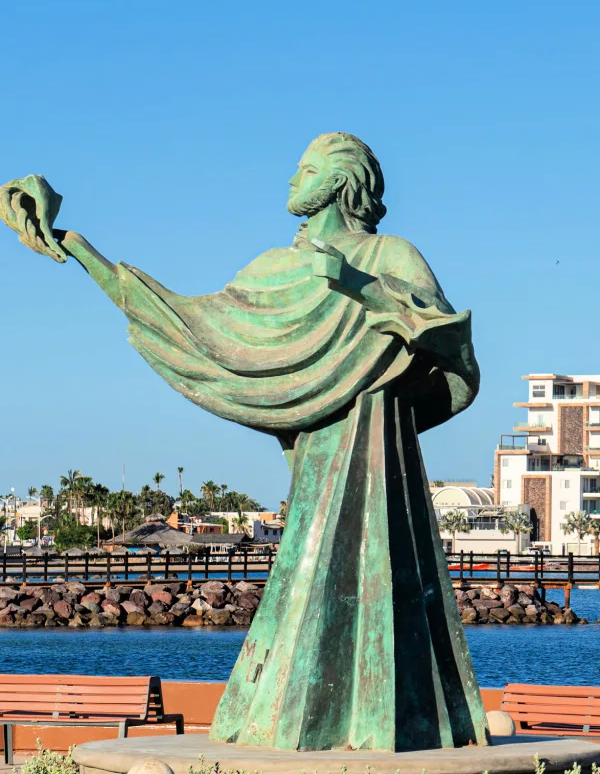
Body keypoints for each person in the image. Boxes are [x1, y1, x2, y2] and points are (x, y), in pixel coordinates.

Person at [0, 133, 487, 752]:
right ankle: (296, 721)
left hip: (378, 448)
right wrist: (72, 244)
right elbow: (188, 324)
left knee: (384, 581)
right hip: (320, 461)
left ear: (341, 183)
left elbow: (451, 347)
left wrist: (360, 287)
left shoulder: (390, 255)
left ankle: (398, 725)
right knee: (305, 578)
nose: (290, 181)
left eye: (305, 170)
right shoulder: (270, 270)